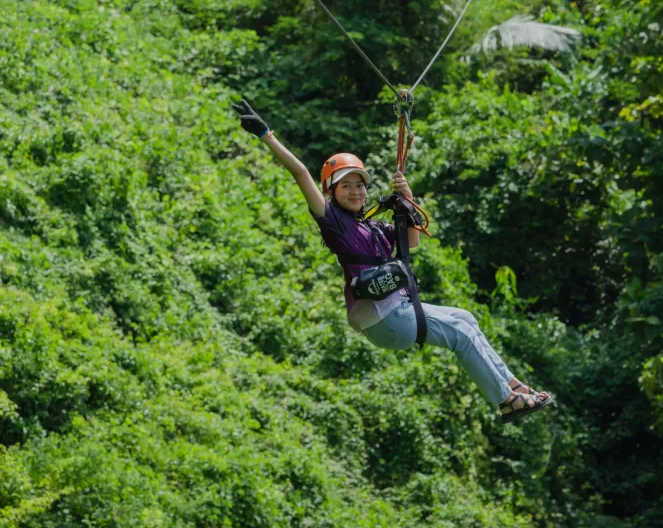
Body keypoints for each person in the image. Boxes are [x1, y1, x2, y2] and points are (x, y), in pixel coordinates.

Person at [231, 98, 553, 421]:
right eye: (346, 186)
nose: (355, 191)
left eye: (359, 185)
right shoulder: (332, 220)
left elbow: (411, 242)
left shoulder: (372, 225)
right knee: (461, 335)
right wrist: (267, 135)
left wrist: (407, 198)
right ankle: (505, 400)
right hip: (385, 317)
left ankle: (510, 384)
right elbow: (301, 173)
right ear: (331, 191)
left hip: (396, 311)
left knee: (466, 319)